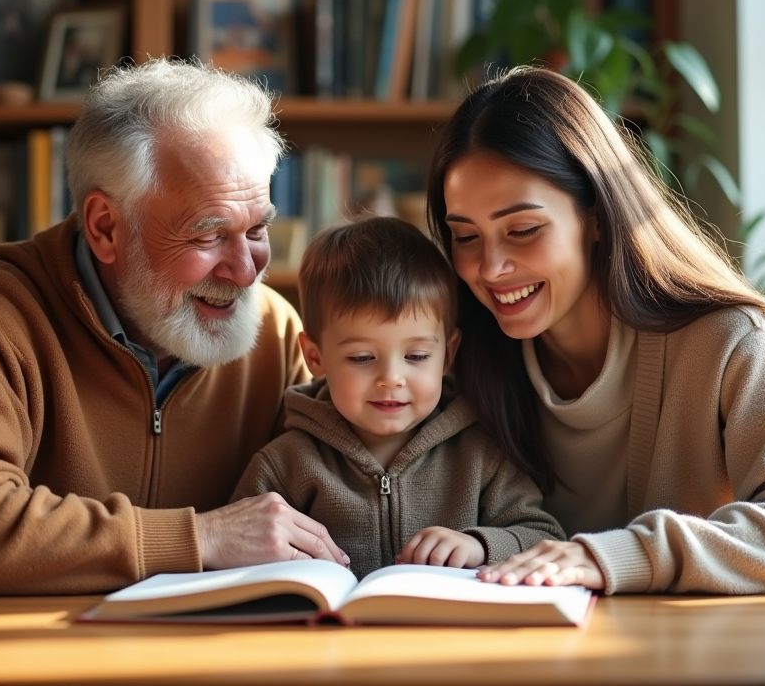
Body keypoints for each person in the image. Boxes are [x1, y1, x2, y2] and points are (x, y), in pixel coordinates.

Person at [0, 58, 348, 595]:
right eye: (208, 235)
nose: (245, 272)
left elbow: (349, 482)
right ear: (106, 227)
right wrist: (201, 537)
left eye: (258, 229)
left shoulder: (275, 333)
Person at [425, 67, 765, 595]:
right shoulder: (455, 355)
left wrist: (612, 555)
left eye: (523, 230)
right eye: (466, 237)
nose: (490, 268)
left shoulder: (728, 342)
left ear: (596, 216)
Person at [231, 216, 565, 578]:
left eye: (416, 356)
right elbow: (235, 553)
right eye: (362, 358)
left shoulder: (482, 456)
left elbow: (544, 538)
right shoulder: (285, 464)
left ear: (448, 355)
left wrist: (480, 545)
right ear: (315, 357)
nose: (391, 379)